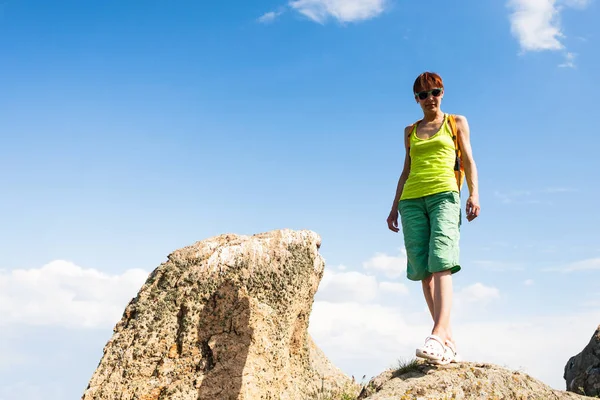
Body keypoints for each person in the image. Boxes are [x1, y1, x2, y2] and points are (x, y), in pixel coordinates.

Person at [386, 72, 480, 364]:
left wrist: (474, 195)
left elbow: (468, 160)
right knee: (422, 271)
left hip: (445, 196)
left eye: (435, 92)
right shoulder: (410, 131)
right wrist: (393, 207)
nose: (430, 99)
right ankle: (447, 340)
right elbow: (406, 170)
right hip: (411, 200)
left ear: (442, 93)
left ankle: (437, 335)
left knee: (442, 261)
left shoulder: (456, 123)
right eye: (423, 95)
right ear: (416, 99)